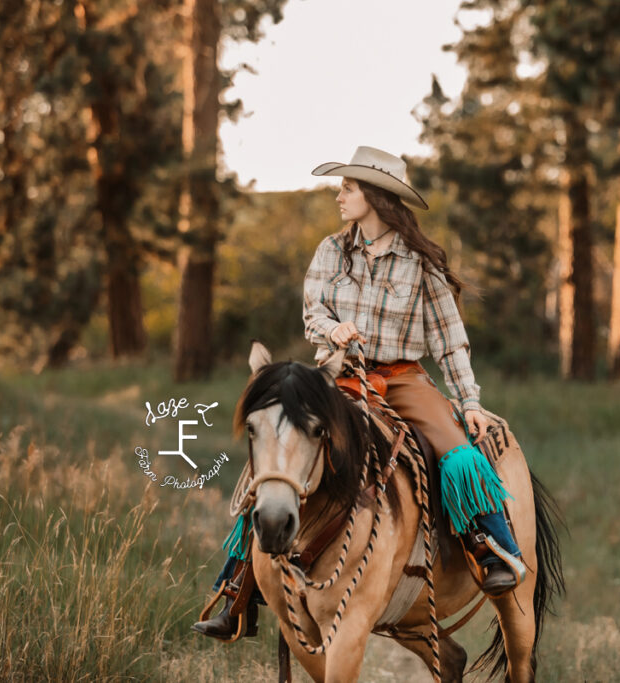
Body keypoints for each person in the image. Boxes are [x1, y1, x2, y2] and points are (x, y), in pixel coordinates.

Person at [193, 146, 524, 641]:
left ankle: (490, 548)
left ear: (376, 196)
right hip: (339, 373)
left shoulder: (420, 264)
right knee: (275, 451)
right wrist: (334, 330)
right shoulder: (331, 250)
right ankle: (239, 584)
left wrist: (470, 402)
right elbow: (313, 313)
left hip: (405, 378)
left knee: (455, 450)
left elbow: (449, 341)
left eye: (348, 187)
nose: (340, 194)